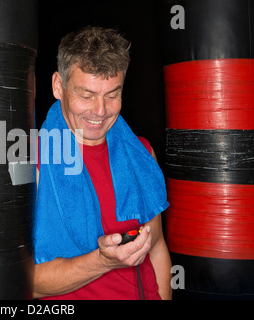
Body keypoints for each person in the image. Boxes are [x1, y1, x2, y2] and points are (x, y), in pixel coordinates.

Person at [33, 26, 172, 300]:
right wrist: (103, 261)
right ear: (58, 86)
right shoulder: (30, 161)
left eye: (112, 95)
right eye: (86, 95)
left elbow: (156, 248)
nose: (100, 111)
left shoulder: (141, 153)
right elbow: (26, 282)